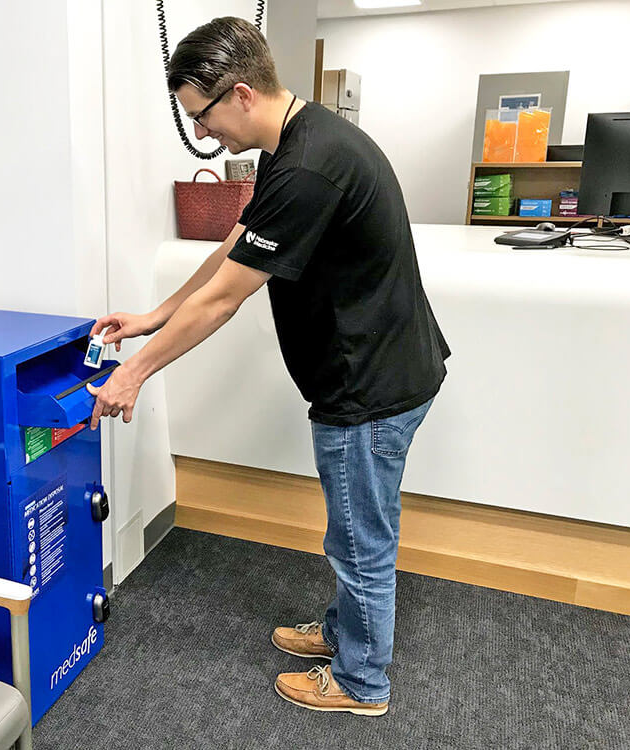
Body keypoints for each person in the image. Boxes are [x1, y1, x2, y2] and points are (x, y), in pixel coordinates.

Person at [86, 16, 449, 716]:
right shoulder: (296, 141)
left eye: (204, 118)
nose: (204, 137)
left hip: (369, 387)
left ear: (242, 94)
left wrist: (133, 373)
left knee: (359, 539)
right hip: (377, 370)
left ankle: (360, 681)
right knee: (353, 529)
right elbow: (237, 243)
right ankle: (347, 636)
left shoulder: (311, 164)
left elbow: (224, 300)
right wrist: (157, 314)